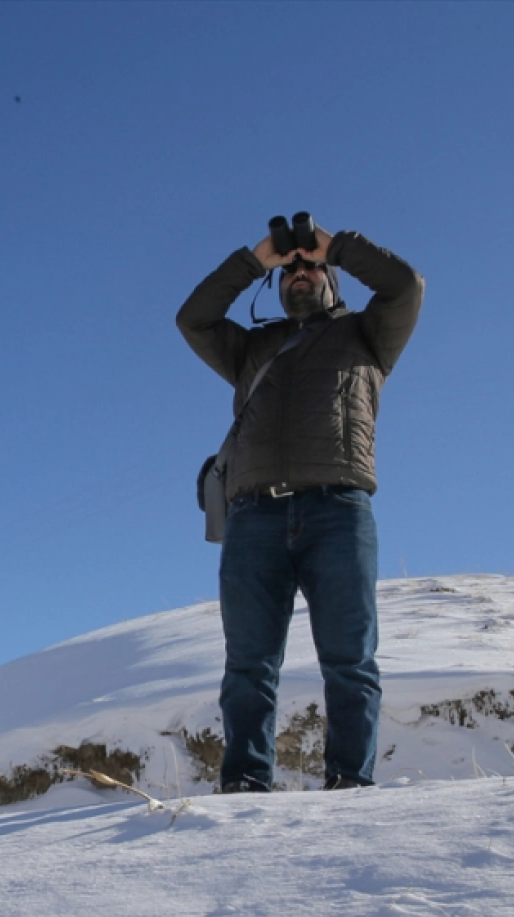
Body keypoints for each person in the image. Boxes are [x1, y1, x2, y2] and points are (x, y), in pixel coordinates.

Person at [176, 218, 423, 793]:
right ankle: (243, 784)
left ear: (333, 280)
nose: (300, 276)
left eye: (311, 268)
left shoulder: (370, 335)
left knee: (349, 659)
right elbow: (193, 319)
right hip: (253, 518)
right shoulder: (251, 350)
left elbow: (406, 286)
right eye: (289, 272)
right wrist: (255, 260)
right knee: (248, 665)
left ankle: (349, 782)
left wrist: (334, 246)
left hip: (339, 510)